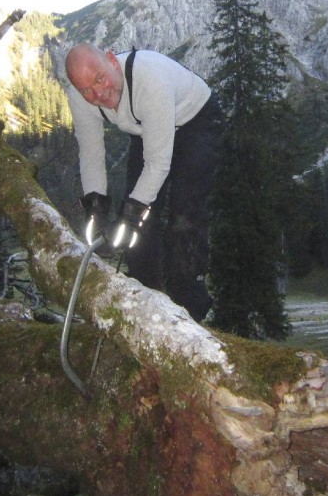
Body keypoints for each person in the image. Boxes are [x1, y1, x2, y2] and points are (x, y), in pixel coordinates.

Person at [64, 43, 223, 323]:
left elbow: (158, 164)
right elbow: (91, 153)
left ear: (112, 61)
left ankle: (191, 308)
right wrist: (96, 208)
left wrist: (131, 214)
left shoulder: (149, 79)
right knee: (141, 221)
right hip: (146, 128)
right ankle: (145, 298)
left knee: (185, 214)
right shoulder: (79, 98)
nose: (97, 94)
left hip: (196, 121)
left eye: (99, 80)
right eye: (86, 90)